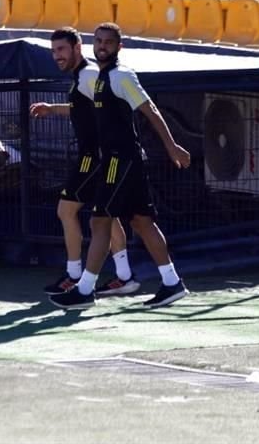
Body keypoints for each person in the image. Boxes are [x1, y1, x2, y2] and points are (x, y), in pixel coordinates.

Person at [50, 22, 190, 310]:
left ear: (119, 47)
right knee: (141, 221)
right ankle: (172, 282)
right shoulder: (101, 76)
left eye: (108, 42)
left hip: (121, 160)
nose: (102, 46)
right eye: (98, 41)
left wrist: (171, 145)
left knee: (99, 220)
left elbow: (149, 109)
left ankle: (85, 289)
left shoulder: (122, 75)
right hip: (120, 160)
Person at [30, 27, 140, 297]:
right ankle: (125, 276)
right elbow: (87, 108)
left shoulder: (89, 74)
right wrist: (52, 109)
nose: (57, 55)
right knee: (105, 216)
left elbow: (111, 107)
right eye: (54, 50)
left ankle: (75, 274)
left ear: (77, 47)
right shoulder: (83, 75)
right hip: (95, 154)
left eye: (62, 49)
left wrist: (109, 147)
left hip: (95, 156)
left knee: (67, 211)